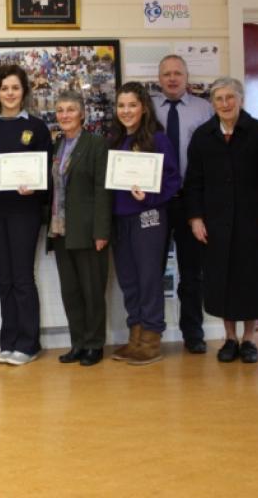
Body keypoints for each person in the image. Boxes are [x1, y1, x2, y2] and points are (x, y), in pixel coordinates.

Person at [185, 77, 258, 364]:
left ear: (240, 100)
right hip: (215, 224)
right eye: (219, 99)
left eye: (230, 98)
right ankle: (229, 338)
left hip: (253, 223)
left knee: (250, 281)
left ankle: (249, 340)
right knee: (223, 282)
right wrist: (195, 218)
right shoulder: (203, 136)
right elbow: (194, 182)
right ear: (212, 103)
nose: (225, 104)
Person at [0, 64, 51, 366]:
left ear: (23, 91)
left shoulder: (37, 128)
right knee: (4, 279)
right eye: (4, 88)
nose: (9, 93)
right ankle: (9, 341)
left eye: (15, 87)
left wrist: (34, 188)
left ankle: (29, 343)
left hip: (25, 210)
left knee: (23, 277)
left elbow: (47, 172)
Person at [110, 82, 181, 365]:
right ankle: (135, 336)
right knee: (128, 280)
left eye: (132, 105)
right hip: (120, 219)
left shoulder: (157, 138)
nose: (126, 111)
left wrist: (150, 197)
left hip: (148, 217)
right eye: (121, 105)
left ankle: (151, 340)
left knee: (149, 278)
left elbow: (173, 179)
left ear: (143, 108)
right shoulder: (115, 140)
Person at [152, 54, 213, 354]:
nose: (172, 78)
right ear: (159, 78)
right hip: (156, 201)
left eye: (178, 73)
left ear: (186, 77)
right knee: (151, 269)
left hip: (192, 201)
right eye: (167, 74)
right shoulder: (147, 109)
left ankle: (194, 333)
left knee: (192, 273)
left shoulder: (205, 109)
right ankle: (151, 333)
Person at [47, 91, 112, 367]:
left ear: (83, 114)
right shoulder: (58, 146)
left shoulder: (96, 144)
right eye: (60, 110)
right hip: (61, 230)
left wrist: (101, 231)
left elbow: (103, 190)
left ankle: (95, 344)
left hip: (88, 231)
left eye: (71, 110)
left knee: (93, 291)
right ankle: (78, 344)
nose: (64, 115)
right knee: (71, 292)